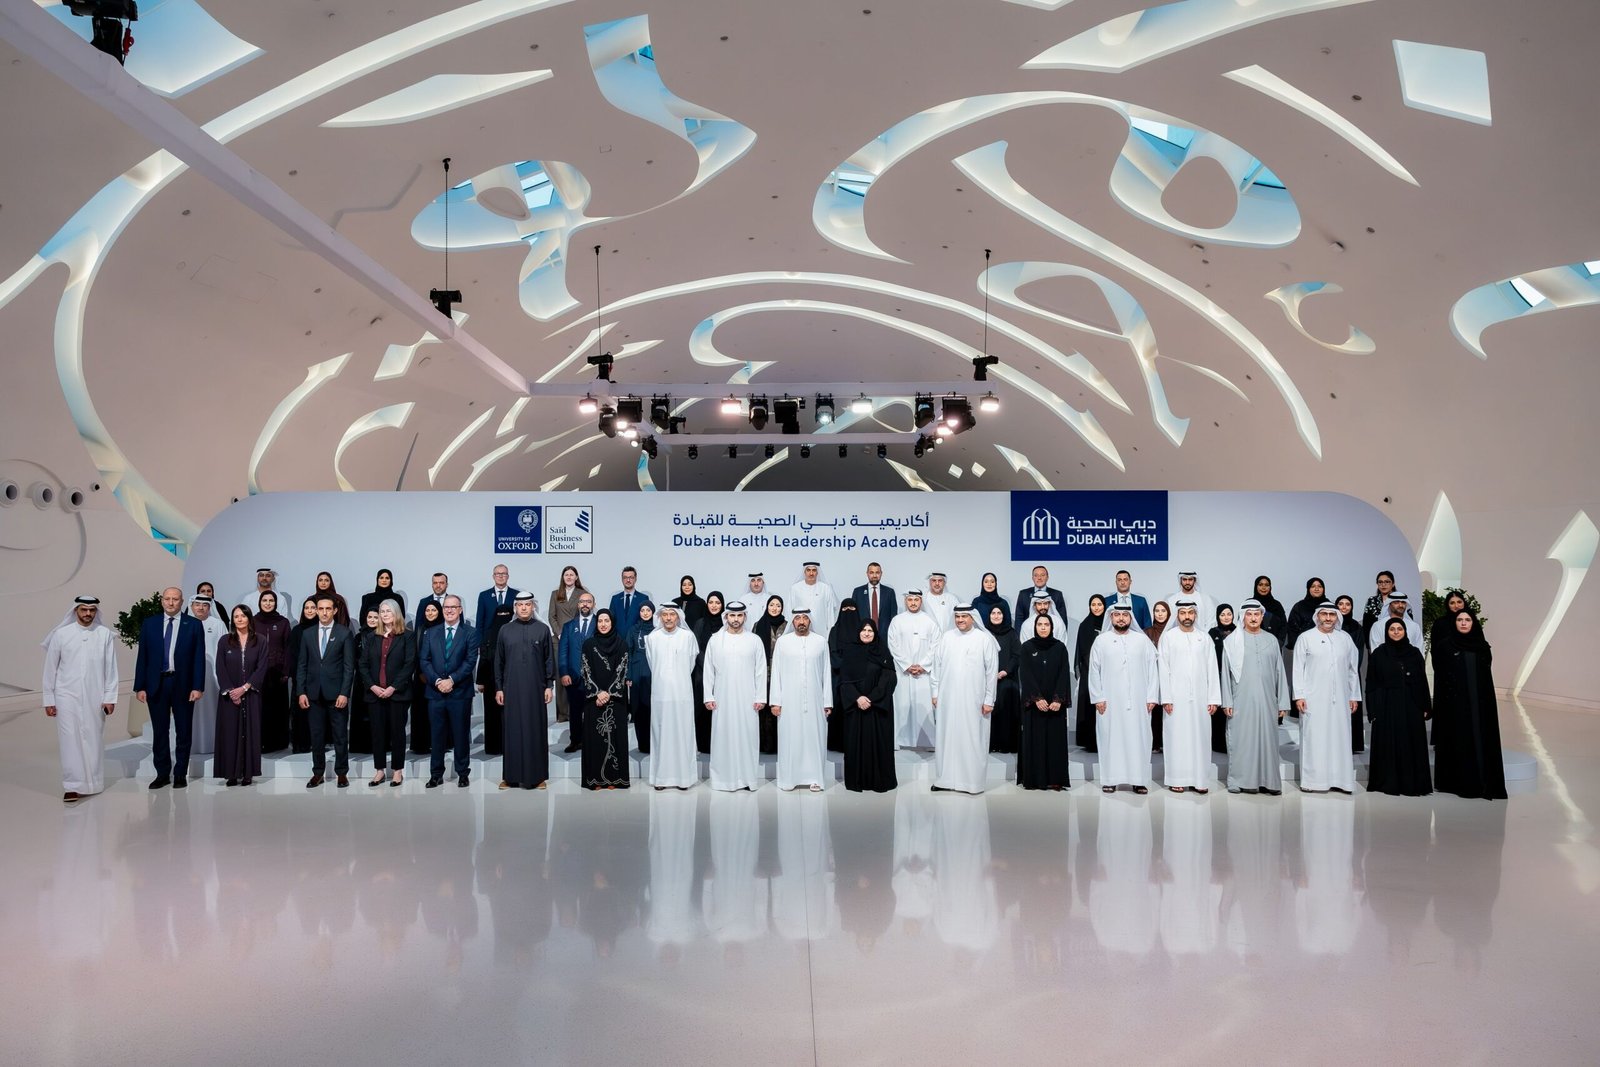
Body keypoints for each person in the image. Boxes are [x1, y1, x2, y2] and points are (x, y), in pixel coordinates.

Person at [41, 595, 117, 801]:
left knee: (93, 737)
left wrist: (110, 697)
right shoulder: (61, 634)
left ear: (96, 612)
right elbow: (50, 669)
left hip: (95, 695)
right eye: (84, 609)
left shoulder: (104, 634)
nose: (88, 614)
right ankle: (72, 786)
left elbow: (111, 669)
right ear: (76, 610)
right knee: (69, 739)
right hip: (65, 695)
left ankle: (93, 783)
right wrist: (49, 699)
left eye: (92, 610)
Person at [133, 587, 206, 789]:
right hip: (156, 684)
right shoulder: (150, 624)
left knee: (184, 730)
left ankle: (180, 773)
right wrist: (140, 686)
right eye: (167, 599)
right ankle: (162, 773)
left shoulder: (193, 624)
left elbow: (199, 658)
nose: (171, 602)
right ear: (162, 601)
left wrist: (197, 686)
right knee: (160, 731)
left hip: (183, 685)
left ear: (182, 602)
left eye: (175, 599)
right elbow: (143, 657)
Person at [1432, 610, 1507, 800]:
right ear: (1454, 622)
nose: (1463, 623)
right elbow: (1441, 677)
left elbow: (1486, 675)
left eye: (1467, 620)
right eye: (1460, 620)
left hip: (1480, 704)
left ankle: (1483, 781)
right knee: (1458, 739)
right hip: (1454, 704)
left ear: (1473, 623)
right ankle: (1458, 783)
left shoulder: (1482, 647)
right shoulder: (1444, 646)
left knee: (1481, 739)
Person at [1221, 602, 1290, 794]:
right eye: (1249, 614)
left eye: (1257, 614)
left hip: (1267, 701)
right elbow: (1225, 674)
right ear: (1243, 616)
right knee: (1241, 741)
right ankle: (1239, 781)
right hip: (1241, 699)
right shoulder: (1232, 641)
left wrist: (1282, 702)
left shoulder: (1272, 640)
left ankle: (1269, 782)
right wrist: (1227, 701)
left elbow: (1279, 671)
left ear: (1262, 616)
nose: (1253, 618)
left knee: (1267, 742)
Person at [1090, 602, 1159, 794]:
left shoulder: (1142, 640)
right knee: (1110, 738)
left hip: (1139, 701)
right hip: (1109, 702)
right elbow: (1094, 671)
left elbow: (1153, 670)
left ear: (1131, 618)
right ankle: (1110, 779)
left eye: (1125, 615)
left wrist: (1152, 696)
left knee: (1139, 739)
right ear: (1111, 617)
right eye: (1117, 615)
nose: (1121, 618)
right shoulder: (1101, 641)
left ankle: (1139, 780)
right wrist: (1098, 697)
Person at [1293, 603, 1361, 794]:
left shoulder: (1345, 638)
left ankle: (1342, 781)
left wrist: (1353, 695)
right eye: (1324, 614)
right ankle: (1312, 781)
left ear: (1337, 617)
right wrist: (1299, 695)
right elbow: (1298, 669)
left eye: (1332, 614)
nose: (1328, 618)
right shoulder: (1306, 638)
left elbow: (1352, 670)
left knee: (1340, 738)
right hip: (1312, 698)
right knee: (1314, 738)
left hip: (1341, 699)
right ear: (1317, 616)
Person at [929, 605, 998, 793]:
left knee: (972, 739)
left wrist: (989, 699)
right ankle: (945, 780)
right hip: (948, 699)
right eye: (957, 616)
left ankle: (972, 783)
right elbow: (936, 667)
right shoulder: (946, 637)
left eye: (964, 616)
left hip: (974, 700)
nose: (960, 620)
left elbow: (991, 672)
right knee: (947, 738)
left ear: (972, 618)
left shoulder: (984, 639)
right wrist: (935, 693)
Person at [1158, 599, 1221, 794]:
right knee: (1176, 737)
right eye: (1183, 612)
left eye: (1190, 612)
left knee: (1200, 738)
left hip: (1201, 699)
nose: (1187, 616)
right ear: (1177, 615)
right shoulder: (1168, 637)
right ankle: (1176, 779)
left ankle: (1199, 780)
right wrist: (1166, 698)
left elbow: (1212, 669)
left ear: (1196, 615)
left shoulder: (1204, 638)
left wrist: (1213, 698)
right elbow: (1163, 669)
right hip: (1175, 699)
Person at [703, 602, 768, 791]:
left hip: (748, 698)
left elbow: (760, 670)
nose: (736, 619)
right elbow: (708, 670)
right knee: (722, 737)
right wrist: (708, 696)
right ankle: (722, 780)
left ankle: (747, 779)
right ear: (726, 617)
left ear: (745, 617)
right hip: (722, 698)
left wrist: (760, 697)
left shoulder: (754, 640)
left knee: (747, 737)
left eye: (739, 615)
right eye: (732, 615)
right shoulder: (715, 640)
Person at [1365, 618, 1433, 796]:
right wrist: (1373, 709)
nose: (1396, 632)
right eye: (1392, 629)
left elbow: (1422, 680)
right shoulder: (1379, 654)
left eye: (1399, 629)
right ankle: (1388, 782)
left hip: (1411, 704)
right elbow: (1371, 682)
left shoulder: (1414, 653)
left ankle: (1412, 782)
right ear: (1386, 632)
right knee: (1389, 742)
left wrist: (1425, 705)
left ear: (1405, 631)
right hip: (1387, 704)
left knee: (1411, 742)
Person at [494, 591, 554, 790]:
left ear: (533, 606)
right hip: (511, 689)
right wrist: (499, 688)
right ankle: (510, 778)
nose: (524, 608)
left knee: (535, 730)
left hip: (536, 690)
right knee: (512, 732)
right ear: (515, 607)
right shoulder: (505, 630)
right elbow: (499, 661)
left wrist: (549, 685)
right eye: (520, 605)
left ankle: (537, 777)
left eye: (527, 604)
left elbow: (549, 660)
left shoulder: (543, 629)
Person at [296, 594, 357, 788]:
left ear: (335, 611)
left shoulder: (344, 633)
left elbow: (349, 667)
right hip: (313, 693)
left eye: (328, 609)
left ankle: (342, 773)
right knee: (316, 736)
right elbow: (302, 665)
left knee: (340, 735)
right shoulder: (307, 634)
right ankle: (318, 773)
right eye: (320, 609)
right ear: (316, 611)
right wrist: (301, 692)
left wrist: (344, 693)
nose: (324, 612)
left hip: (336, 694)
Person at [419, 594, 479, 789]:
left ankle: (462, 773)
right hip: (435, 692)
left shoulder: (470, 632)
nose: (450, 610)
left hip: (459, 692)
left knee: (460, 735)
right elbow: (424, 660)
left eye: (454, 607)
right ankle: (436, 774)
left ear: (460, 610)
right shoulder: (431, 633)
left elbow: (470, 661)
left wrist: (451, 680)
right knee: (436, 736)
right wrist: (437, 681)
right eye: (446, 607)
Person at [770, 608, 832, 791]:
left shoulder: (820, 642)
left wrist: (827, 702)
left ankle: (816, 779)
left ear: (810, 621)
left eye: (805, 618)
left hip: (815, 700)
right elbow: (776, 673)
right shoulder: (783, 642)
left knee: (815, 738)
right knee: (790, 738)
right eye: (797, 618)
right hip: (788, 701)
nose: (802, 621)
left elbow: (826, 673)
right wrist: (775, 701)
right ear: (793, 621)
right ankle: (789, 779)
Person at [360, 599, 414, 788]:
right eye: (382, 611)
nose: (384, 614)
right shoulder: (372, 637)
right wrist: (373, 686)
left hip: (398, 694)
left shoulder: (407, 636)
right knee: (377, 733)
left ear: (396, 613)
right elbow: (363, 664)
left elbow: (409, 664)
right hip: (375, 694)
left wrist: (393, 687)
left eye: (388, 611)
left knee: (397, 733)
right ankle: (380, 770)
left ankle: (397, 771)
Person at [838, 619, 897, 792]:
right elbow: (844, 681)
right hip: (856, 708)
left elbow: (889, 679)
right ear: (858, 632)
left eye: (870, 630)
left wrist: (871, 699)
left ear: (875, 633)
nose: (866, 633)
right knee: (855, 745)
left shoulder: (882, 652)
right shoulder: (850, 652)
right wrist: (857, 698)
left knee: (879, 744)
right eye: (863, 630)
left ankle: (879, 781)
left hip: (877, 709)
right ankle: (857, 781)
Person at [645, 604, 699, 789]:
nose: (668, 618)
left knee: (682, 733)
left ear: (678, 617)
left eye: (672, 614)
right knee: (661, 735)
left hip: (682, 694)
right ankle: (660, 778)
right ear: (660, 617)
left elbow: (691, 664)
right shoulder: (653, 638)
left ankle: (684, 778)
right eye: (665, 614)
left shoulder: (688, 637)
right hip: (660, 694)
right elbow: (652, 663)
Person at [215, 604, 268, 787]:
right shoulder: (225, 641)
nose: (239, 619)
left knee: (250, 732)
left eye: (243, 616)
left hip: (251, 693)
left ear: (249, 618)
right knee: (230, 733)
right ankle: (231, 773)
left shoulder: (260, 640)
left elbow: (262, 667)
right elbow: (220, 667)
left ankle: (248, 773)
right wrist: (232, 691)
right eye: (236, 616)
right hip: (229, 696)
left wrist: (245, 688)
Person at [1017, 613, 1071, 790]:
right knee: (1035, 741)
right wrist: (1037, 698)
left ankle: (1055, 779)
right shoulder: (1026, 647)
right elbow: (1025, 674)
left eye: (1046, 624)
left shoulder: (1060, 647)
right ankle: (1034, 779)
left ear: (1051, 627)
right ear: (1035, 627)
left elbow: (1064, 674)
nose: (1043, 627)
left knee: (1055, 742)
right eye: (1039, 624)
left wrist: (1058, 699)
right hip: (1034, 706)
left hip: (1055, 706)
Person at [886, 590, 939, 750]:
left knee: (925, 707)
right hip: (903, 672)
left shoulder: (930, 621)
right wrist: (907, 665)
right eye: (910, 600)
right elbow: (893, 645)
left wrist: (923, 665)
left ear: (921, 601)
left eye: (916, 599)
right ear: (905, 601)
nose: (913, 603)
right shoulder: (897, 621)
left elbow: (936, 646)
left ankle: (928, 742)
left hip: (924, 674)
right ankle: (900, 741)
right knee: (902, 706)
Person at [558, 592, 598, 754]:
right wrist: (564, 672)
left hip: (594, 678)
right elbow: (563, 651)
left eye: (588, 601)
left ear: (593, 604)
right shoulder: (568, 626)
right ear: (578, 604)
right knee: (575, 712)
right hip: (573, 676)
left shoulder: (600, 623)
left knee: (593, 712)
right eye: (582, 601)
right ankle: (575, 741)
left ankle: (592, 742)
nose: (585, 604)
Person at [253, 590, 292, 752]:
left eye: (271, 601)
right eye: (265, 600)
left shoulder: (283, 622)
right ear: (259, 602)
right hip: (258, 673)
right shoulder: (253, 621)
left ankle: (278, 743)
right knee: (260, 709)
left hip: (278, 674)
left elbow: (288, 648)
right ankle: (260, 742)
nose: (268, 603)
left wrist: (286, 672)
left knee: (278, 709)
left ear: (275, 603)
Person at [188, 594, 226, 758]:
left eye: (204, 605)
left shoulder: (217, 624)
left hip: (213, 676)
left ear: (210, 607)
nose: (200, 608)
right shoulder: (185, 624)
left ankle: (214, 743)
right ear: (191, 606)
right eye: (197, 604)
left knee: (213, 709)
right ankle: (192, 745)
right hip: (189, 676)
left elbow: (225, 649)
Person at [548, 565, 588, 724]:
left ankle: (578, 711)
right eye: (566, 575)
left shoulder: (582, 593)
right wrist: (560, 633)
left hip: (577, 639)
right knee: (561, 676)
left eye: (572, 574)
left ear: (576, 577)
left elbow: (585, 614)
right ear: (563, 577)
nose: (569, 577)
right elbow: (552, 617)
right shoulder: (555, 594)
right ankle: (563, 714)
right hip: (558, 640)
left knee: (578, 675)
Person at [751, 595, 787, 755]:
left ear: (782, 608)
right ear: (767, 606)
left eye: (778, 605)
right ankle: (763, 745)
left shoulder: (787, 626)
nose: (774, 608)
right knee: (763, 708)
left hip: (782, 672)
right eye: (772, 605)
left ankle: (781, 745)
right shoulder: (758, 625)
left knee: (779, 707)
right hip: (762, 672)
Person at [691, 592, 727, 752]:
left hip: (722, 672)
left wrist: (718, 666)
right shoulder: (700, 623)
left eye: (717, 603)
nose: (714, 605)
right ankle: (704, 745)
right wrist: (707, 664)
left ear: (722, 605)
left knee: (721, 708)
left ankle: (720, 744)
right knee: (703, 708)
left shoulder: (726, 624)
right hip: (701, 672)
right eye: (711, 602)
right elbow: (695, 647)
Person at [984, 604, 1021, 754]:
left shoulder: (1011, 633)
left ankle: (1007, 745)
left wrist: (1005, 671)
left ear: (1004, 615)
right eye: (993, 613)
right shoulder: (984, 633)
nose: (996, 616)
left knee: (1007, 711)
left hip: (1007, 679)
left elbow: (1017, 655)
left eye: (999, 613)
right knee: (991, 712)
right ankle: (991, 744)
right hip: (987, 680)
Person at [825, 600, 862, 753]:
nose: (848, 611)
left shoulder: (862, 630)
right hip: (838, 678)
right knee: (838, 708)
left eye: (852, 608)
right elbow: (832, 653)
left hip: (858, 678)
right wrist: (847, 667)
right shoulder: (835, 631)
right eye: (845, 608)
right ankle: (836, 743)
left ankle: (856, 742)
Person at [287, 596, 320, 753]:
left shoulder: (323, 629)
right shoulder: (297, 630)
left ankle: (317, 743)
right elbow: (293, 655)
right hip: (300, 678)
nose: (310, 611)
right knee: (299, 712)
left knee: (317, 713)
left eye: (313, 608)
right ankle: (301, 744)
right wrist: (298, 676)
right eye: (307, 608)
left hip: (318, 678)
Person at [1073, 595, 1105, 752]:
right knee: (1089, 705)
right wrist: (1094, 666)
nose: (1096, 607)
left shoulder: (1109, 623)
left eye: (1099, 604)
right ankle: (1090, 741)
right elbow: (1083, 651)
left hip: (1107, 672)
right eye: (1093, 604)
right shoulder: (1085, 625)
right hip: (1089, 670)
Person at [1335, 595, 1367, 753]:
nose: (1344, 607)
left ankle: (1353, 745)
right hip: (1332, 674)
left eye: (1347, 604)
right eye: (1340, 604)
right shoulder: (1332, 625)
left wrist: (1349, 670)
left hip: (1350, 674)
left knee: (1351, 708)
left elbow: (1358, 652)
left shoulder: (1356, 627)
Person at [411, 598, 442, 755]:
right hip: (421, 677)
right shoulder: (419, 629)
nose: (430, 613)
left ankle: (439, 744)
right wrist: (421, 672)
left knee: (438, 713)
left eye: (433, 610)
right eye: (427, 610)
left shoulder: (444, 629)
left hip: (439, 677)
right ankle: (421, 745)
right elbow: (416, 653)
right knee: (421, 711)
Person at [627, 601, 656, 754]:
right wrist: (628, 675)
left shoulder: (658, 630)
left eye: (648, 610)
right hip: (637, 672)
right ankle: (643, 744)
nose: (645, 613)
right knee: (638, 709)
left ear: (653, 612)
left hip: (653, 672)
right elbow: (628, 653)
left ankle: (654, 743)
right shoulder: (633, 630)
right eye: (642, 610)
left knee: (652, 708)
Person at [1143, 600, 1171, 752]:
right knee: (1154, 709)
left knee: (1169, 709)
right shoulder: (1147, 632)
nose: (1160, 614)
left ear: (1169, 613)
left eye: (1163, 611)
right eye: (1157, 611)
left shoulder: (1173, 631)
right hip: (1152, 676)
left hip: (1170, 677)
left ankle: (1168, 742)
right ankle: (1155, 743)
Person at [1013, 565, 1068, 631]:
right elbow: (1019, 619)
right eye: (1036, 575)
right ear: (1032, 578)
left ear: (1047, 577)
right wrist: (1020, 636)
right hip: (1029, 633)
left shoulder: (1057, 594)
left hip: (1052, 634)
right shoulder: (1023, 594)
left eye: (1042, 575)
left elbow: (1062, 619)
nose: (1039, 578)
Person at [608, 566, 653, 641]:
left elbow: (645, 622)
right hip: (617, 641)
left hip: (636, 641)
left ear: (635, 579)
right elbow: (611, 621)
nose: (628, 580)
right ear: (622, 579)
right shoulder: (615, 599)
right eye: (625, 577)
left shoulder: (643, 598)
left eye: (631, 577)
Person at [851, 561, 898, 631]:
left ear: (881, 573)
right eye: (871, 572)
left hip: (884, 634)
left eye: (877, 572)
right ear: (867, 574)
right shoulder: (858, 592)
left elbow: (893, 616)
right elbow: (853, 616)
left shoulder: (889, 592)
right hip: (864, 634)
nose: (874, 576)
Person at [1286, 577, 1327, 649]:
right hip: (1305, 646)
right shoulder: (1299, 606)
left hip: (1326, 645)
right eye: (1313, 586)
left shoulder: (1329, 606)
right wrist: (1297, 647)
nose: (1316, 589)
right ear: (1308, 589)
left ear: (1323, 589)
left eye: (1320, 586)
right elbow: (1292, 629)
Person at [1361, 570, 1399, 645]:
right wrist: (1369, 645)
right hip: (1376, 641)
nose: (1383, 585)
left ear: (1393, 584)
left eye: (1387, 582)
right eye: (1380, 582)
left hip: (1398, 641)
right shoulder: (1372, 601)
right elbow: (1366, 626)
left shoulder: (1400, 601)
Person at [1252, 576, 1288, 643]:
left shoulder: (1277, 605)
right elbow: (1242, 624)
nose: (1263, 587)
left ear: (1270, 587)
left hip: (1273, 644)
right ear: (1256, 586)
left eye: (1267, 585)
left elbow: (1283, 626)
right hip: (1252, 643)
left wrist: (1279, 643)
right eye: (1260, 585)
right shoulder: (1250, 603)